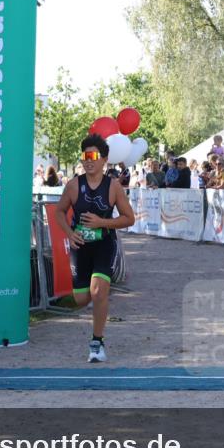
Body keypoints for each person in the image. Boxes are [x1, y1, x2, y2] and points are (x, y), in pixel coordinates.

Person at [53, 134, 135, 363]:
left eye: (93, 156)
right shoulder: (73, 186)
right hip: (81, 246)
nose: (88, 160)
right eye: (85, 156)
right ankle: (99, 300)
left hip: (104, 244)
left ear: (104, 159)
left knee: (99, 292)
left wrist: (102, 223)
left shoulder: (113, 187)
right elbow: (59, 211)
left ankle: (97, 342)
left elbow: (129, 218)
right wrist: (69, 234)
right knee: (81, 299)